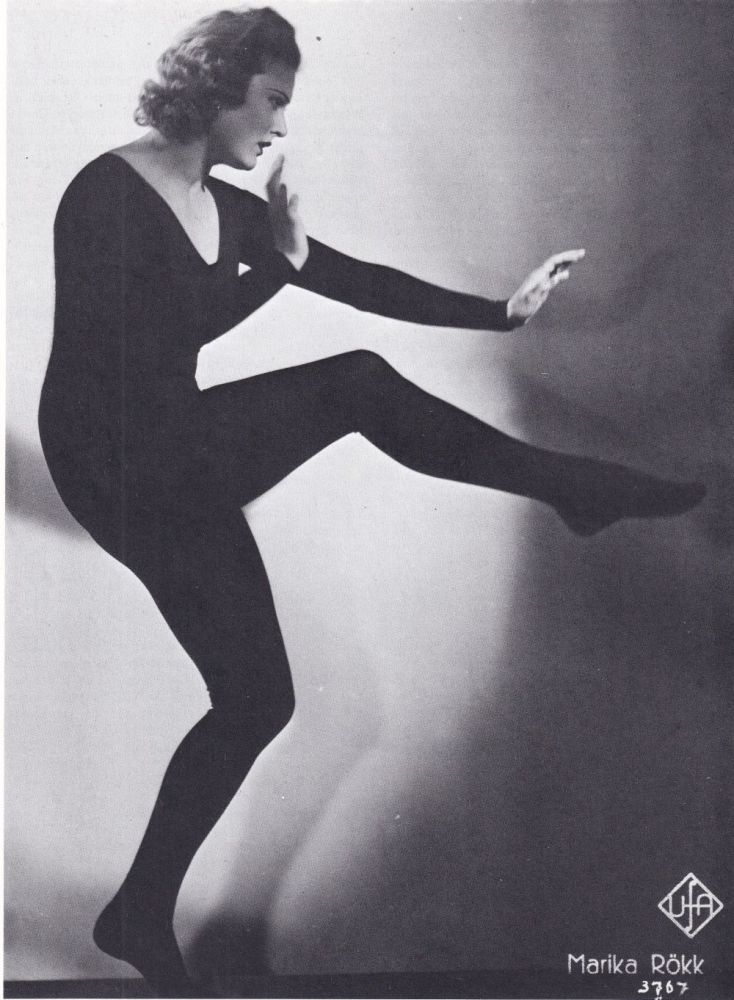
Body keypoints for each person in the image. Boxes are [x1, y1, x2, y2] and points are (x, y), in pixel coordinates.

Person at [38, 6, 705, 996]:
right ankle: (576, 487)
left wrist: (500, 314)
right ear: (217, 88)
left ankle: (138, 909)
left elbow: (355, 281)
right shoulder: (103, 193)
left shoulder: (228, 212)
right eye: (271, 100)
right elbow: (136, 353)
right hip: (115, 459)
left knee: (258, 698)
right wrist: (275, 264)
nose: (280, 126)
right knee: (352, 382)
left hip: (181, 455)